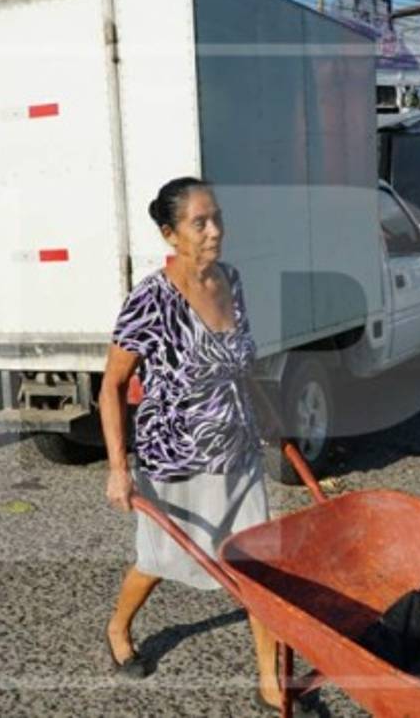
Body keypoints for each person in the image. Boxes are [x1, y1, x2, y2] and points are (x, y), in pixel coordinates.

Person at [101, 178, 308, 714]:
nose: (215, 230)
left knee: (258, 568)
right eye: (200, 222)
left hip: (237, 453)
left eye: (216, 217)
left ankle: (269, 681)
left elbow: (243, 365)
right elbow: (112, 386)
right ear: (171, 234)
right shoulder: (150, 299)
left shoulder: (231, 281)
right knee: (160, 559)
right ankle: (119, 627)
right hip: (174, 461)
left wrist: (271, 419)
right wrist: (118, 468)